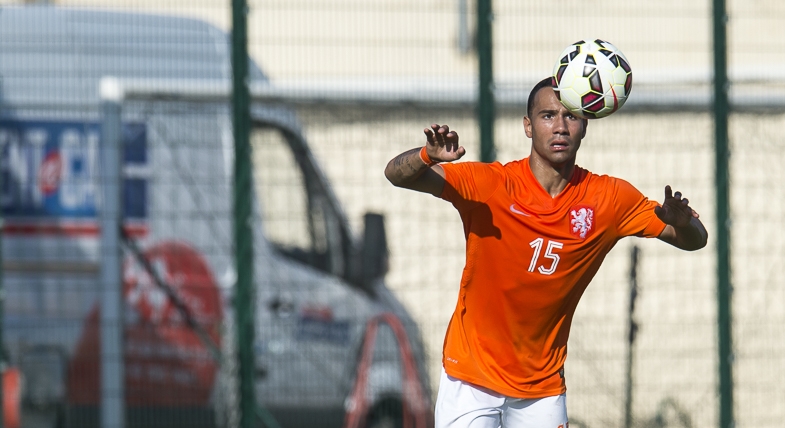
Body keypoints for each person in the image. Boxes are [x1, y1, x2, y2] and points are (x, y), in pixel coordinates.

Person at [384, 77, 708, 428]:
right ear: (528, 126)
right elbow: (396, 174)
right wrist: (426, 156)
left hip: (542, 389)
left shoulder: (609, 199)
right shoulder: (492, 184)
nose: (560, 127)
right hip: (471, 379)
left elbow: (695, 239)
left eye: (571, 116)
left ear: (585, 125)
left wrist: (684, 223)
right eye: (548, 115)